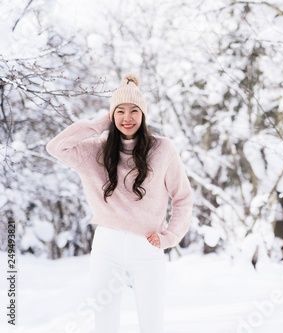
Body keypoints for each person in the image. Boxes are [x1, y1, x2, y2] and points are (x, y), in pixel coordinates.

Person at [46, 73, 193, 333]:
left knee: (151, 324)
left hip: (148, 248)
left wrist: (169, 236)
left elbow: (183, 197)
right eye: (120, 111)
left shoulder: (163, 150)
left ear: (143, 115)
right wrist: (98, 124)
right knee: (105, 324)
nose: (127, 118)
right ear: (111, 115)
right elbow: (56, 147)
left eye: (134, 110)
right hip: (107, 247)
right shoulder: (95, 151)